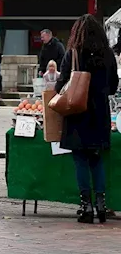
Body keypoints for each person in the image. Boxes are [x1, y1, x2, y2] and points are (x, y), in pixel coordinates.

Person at [54, 14, 118, 224]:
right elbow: (114, 86)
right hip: (99, 113)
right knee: (96, 159)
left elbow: (60, 85)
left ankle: (86, 205)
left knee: (80, 159)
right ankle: (101, 203)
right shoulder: (107, 54)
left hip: (77, 114)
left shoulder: (73, 53)